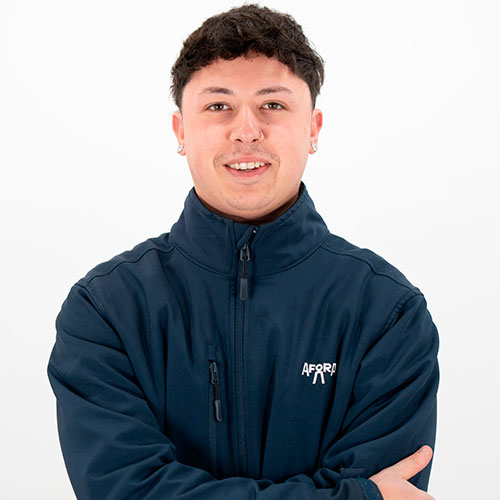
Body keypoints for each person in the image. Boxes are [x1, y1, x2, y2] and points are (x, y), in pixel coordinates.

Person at [48, 4, 439, 499]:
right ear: (181, 132)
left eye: (272, 104)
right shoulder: (107, 311)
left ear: (313, 128)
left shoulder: (386, 313)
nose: (246, 130)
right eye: (219, 106)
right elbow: (125, 490)